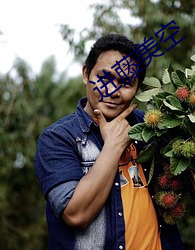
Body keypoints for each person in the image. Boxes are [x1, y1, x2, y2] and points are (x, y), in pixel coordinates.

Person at [35, 33, 184, 250]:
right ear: (86, 74)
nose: (113, 91)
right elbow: (76, 214)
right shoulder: (58, 138)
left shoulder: (153, 128)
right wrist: (114, 145)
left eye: (126, 83)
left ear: (137, 88)